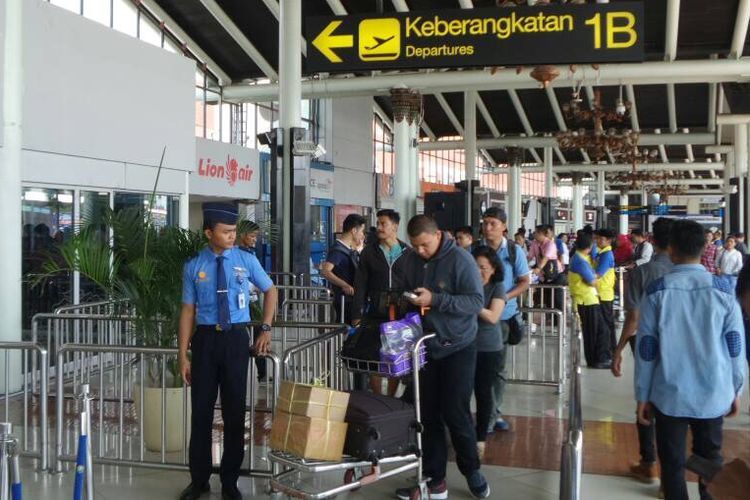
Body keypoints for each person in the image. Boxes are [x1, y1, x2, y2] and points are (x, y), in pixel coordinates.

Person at [635, 220, 746, 500]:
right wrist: (736, 388)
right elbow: (735, 347)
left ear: (670, 249)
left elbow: (646, 349)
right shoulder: (723, 291)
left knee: (672, 464)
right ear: (706, 247)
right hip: (714, 393)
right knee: (710, 462)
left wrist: (642, 394)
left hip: (668, 394)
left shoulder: (657, 292)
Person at [178, 203, 277, 500]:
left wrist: (266, 327)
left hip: (236, 339)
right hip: (206, 341)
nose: (232, 236)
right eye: (226, 232)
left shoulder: (246, 260)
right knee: (201, 412)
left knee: (235, 412)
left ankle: (230, 480)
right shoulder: (193, 266)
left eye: (234, 231)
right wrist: (183, 354)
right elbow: (187, 312)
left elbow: (271, 290)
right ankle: (199, 480)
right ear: (209, 233)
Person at [395, 215, 489, 500]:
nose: (420, 251)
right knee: (428, 414)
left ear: (437, 235)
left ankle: (472, 470)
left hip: (458, 347)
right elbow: (404, 289)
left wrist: (435, 299)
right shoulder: (411, 260)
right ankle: (434, 478)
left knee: (455, 411)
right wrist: (405, 299)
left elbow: (475, 302)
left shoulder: (461, 260)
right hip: (424, 348)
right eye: (415, 246)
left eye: (424, 245)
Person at [611, 217, 674, 484]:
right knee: (672, 406)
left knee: (646, 397)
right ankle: (671, 473)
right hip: (678, 346)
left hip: (646, 343)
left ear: (652, 240)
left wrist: (619, 349)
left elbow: (634, 319)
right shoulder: (685, 272)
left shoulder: (641, 273)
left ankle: (649, 463)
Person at [480, 207, 530, 432]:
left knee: (497, 368)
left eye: (492, 223)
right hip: (477, 315)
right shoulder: (476, 250)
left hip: (503, 317)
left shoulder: (513, 251)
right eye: (485, 223)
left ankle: (493, 413)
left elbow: (524, 281)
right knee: (478, 368)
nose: (487, 228)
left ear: (504, 226)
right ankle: (486, 412)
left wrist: (502, 298)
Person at [352, 209, 411, 395]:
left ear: (395, 226)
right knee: (375, 355)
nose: (379, 227)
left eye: (383, 223)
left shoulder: (407, 252)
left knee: (395, 356)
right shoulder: (369, 253)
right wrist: (356, 314)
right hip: (376, 313)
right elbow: (360, 285)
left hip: (400, 314)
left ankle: (391, 398)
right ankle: (378, 398)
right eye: (378, 223)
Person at [471, 246, 506, 460]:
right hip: (465, 345)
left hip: (488, 348)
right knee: (460, 393)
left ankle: (480, 437)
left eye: (483, 267)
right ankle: (465, 435)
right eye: (475, 267)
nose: (478, 271)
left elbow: (493, 316)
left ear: (493, 269)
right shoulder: (467, 285)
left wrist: (471, 304)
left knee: (483, 393)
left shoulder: (497, 286)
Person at [569, 233, 610, 368]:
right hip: (586, 301)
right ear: (589, 246)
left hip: (588, 299)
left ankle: (599, 358)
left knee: (600, 330)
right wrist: (597, 278)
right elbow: (592, 281)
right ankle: (594, 360)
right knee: (592, 332)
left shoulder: (579, 258)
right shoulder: (580, 261)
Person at [237, 220, 268, 383]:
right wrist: (251, 287)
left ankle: (262, 373)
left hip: (253, 302)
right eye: (252, 236)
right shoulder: (236, 255)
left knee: (259, 337)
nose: (255, 239)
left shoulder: (251, 254)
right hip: (242, 304)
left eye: (256, 236)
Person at [320, 213, 366, 324]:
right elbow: (326, 271)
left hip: (352, 299)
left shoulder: (348, 249)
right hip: (345, 300)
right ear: (354, 230)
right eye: (361, 231)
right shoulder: (338, 250)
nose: (362, 235)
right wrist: (344, 284)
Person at [593, 228, 617, 359]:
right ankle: (611, 349)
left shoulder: (606, 255)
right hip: (601, 291)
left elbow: (598, 274)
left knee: (607, 324)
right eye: (596, 238)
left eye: (600, 239)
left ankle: (611, 350)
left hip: (604, 293)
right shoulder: (601, 253)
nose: (597, 241)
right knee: (607, 323)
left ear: (608, 241)